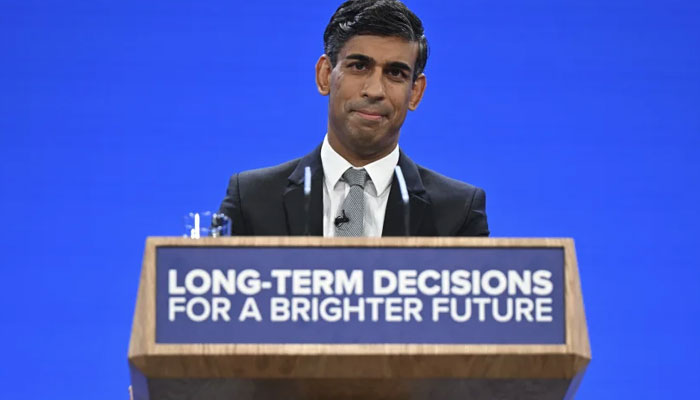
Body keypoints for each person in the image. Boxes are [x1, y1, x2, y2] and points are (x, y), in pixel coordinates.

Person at [218, 0, 489, 237]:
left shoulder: (458, 211)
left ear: (415, 92)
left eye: (395, 73)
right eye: (359, 66)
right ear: (325, 75)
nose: (374, 90)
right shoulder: (252, 199)